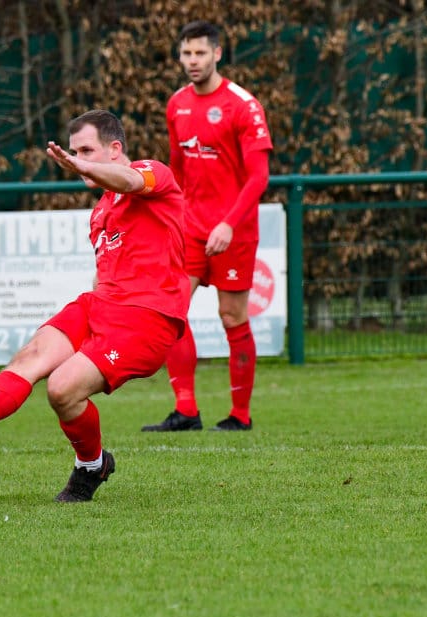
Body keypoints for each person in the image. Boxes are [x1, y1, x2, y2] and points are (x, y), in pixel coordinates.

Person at [0, 109, 190, 502]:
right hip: (100, 304)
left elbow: (128, 179)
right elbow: (107, 271)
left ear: (115, 148)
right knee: (32, 354)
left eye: (87, 151)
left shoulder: (152, 174)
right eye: (73, 153)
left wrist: (82, 166)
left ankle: (90, 466)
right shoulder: (100, 212)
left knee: (62, 389)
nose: (78, 161)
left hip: (146, 319)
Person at [142, 20, 273, 433]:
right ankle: (186, 410)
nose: (192, 61)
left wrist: (229, 224)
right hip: (191, 228)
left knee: (231, 315)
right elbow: (176, 172)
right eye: (186, 53)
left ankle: (240, 415)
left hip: (234, 229)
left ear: (217, 53)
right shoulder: (176, 104)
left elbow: (259, 178)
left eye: (200, 53)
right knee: (171, 308)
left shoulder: (242, 105)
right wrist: (171, 220)